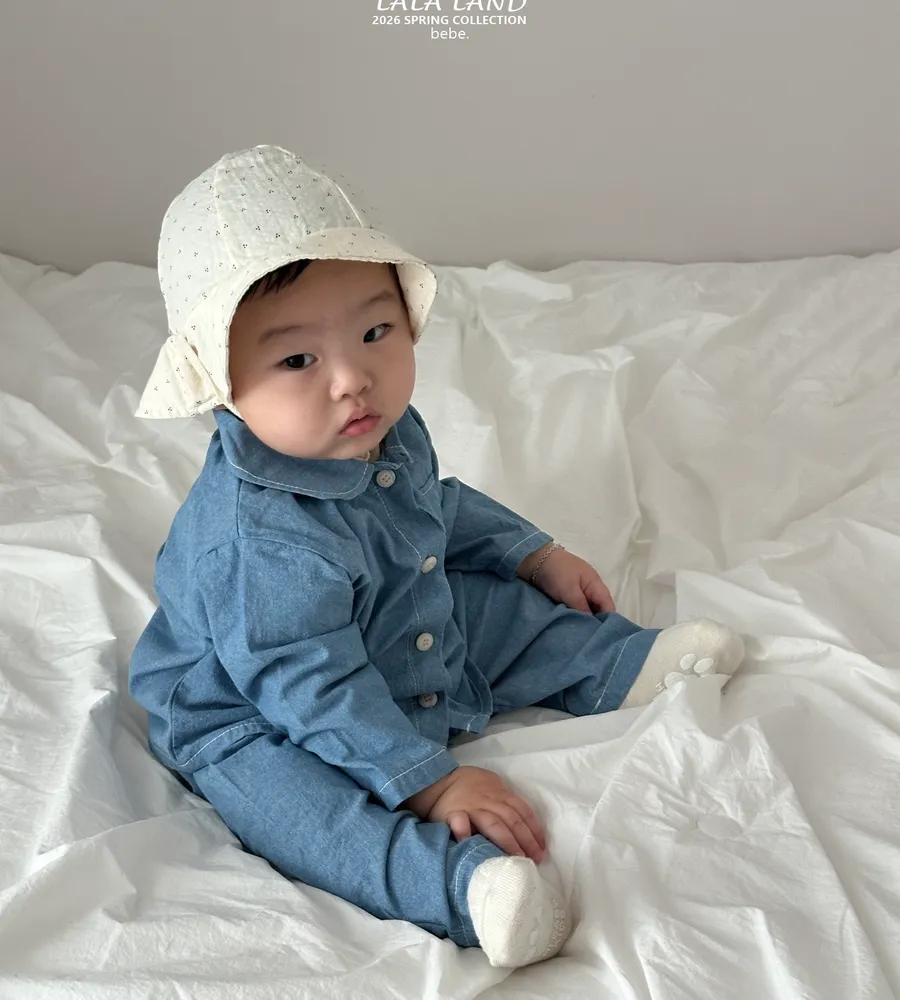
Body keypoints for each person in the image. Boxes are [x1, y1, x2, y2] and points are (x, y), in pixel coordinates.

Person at [129, 145, 745, 969]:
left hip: (374, 616)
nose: (353, 379)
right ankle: (464, 890)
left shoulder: (378, 431)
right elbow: (313, 686)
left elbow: (437, 509)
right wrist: (432, 781)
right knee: (302, 814)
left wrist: (532, 553)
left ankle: (618, 662)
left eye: (374, 332)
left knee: (492, 610)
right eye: (298, 360)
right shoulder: (258, 544)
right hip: (256, 704)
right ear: (221, 382)